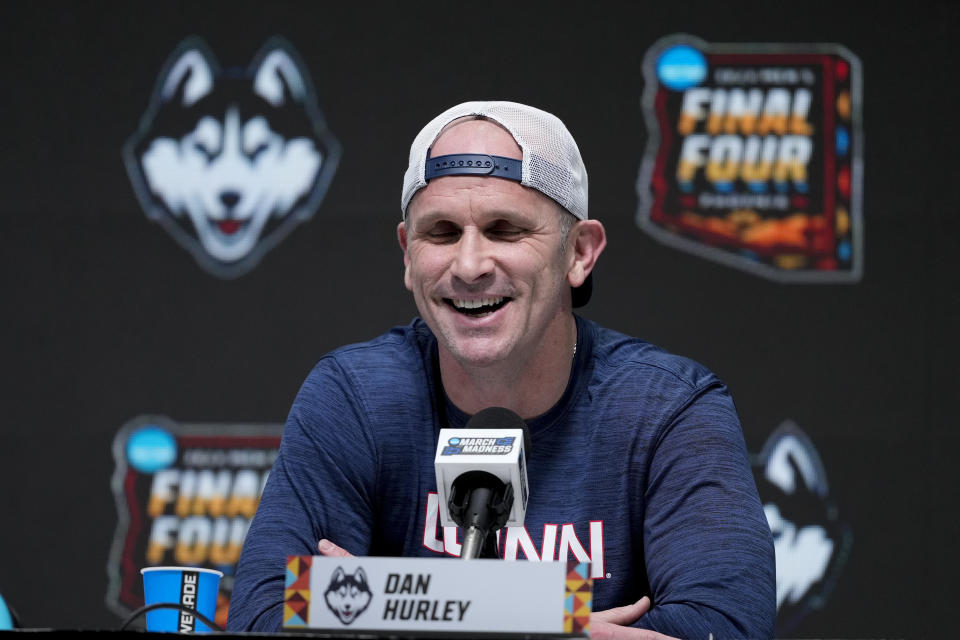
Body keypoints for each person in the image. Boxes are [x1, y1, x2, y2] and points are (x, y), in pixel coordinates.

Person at [227, 101, 775, 639]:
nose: (469, 266)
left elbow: (722, 629)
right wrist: (560, 625)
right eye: (441, 232)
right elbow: (264, 616)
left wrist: (390, 614)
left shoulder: (668, 408)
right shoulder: (355, 396)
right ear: (407, 255)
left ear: (579, 253)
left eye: (505, 230)